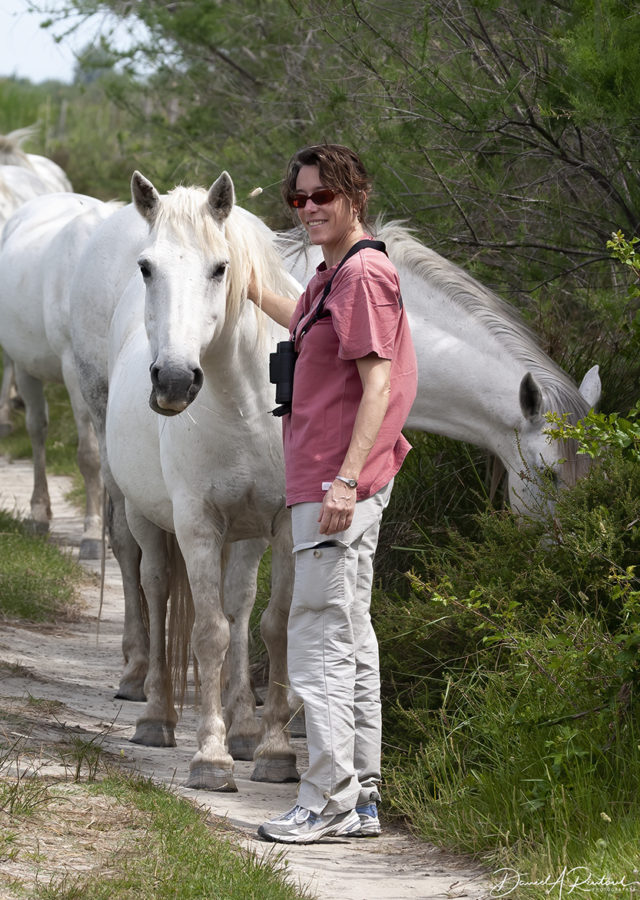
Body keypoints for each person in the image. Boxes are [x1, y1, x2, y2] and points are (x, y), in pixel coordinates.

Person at [249, 144, 418, 844]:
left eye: (324, 196)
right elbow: (300, 323)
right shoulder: (332, 277)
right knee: (349, 640)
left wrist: (344, 481)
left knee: (317, 639)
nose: (310, 208)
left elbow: (377, 382)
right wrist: (241, 277)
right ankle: (363, 797)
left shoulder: (363, 276)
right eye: (299, 200)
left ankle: (326, 799)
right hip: (326, 483)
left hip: (333, 488)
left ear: (356, 196)